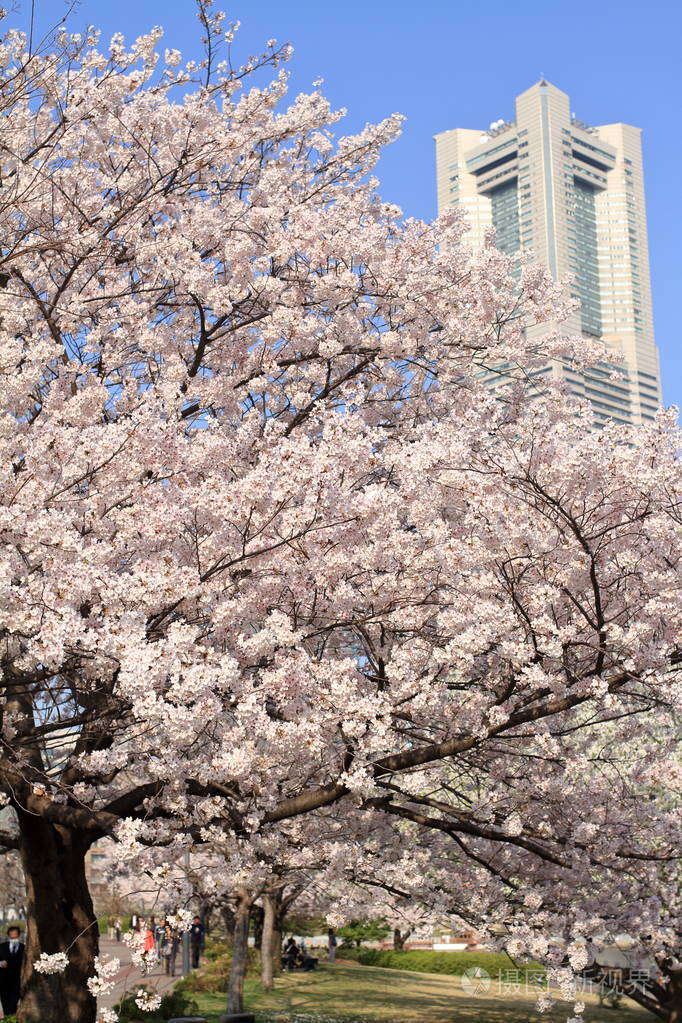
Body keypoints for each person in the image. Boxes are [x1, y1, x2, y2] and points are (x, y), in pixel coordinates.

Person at [0, 925, 24, 1016]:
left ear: (19, 935)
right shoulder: (1, 947)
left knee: (14, 1002)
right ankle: (7, 1017)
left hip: (17, 980)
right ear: (8, 935)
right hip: (3, 980)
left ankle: (12, 1017)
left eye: (16, 936)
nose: (14, 938)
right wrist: (1, 963)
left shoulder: (24, 947)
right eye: (11, 936)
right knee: (5, 1001)